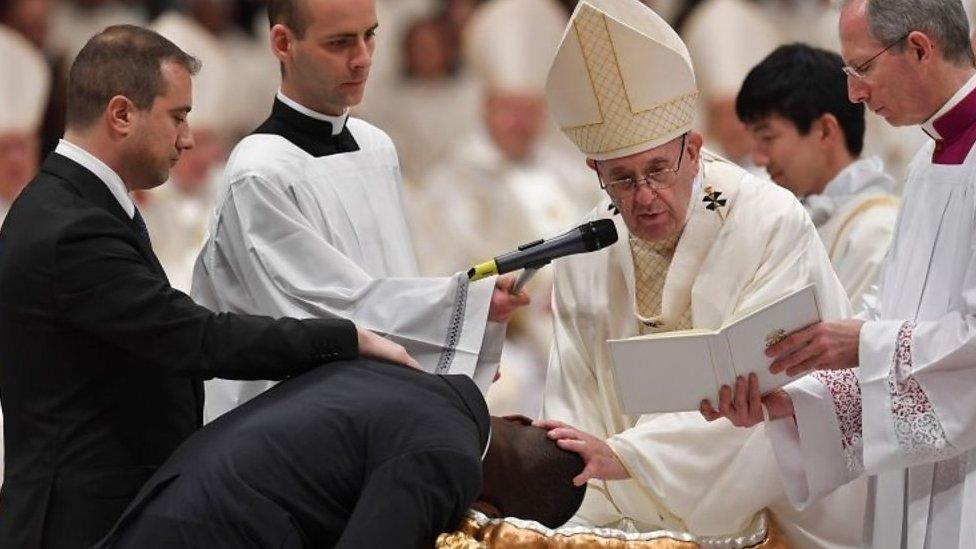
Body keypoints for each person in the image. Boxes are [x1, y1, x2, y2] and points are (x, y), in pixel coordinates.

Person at [0, 25, 415, 549]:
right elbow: (195, 338)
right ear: (121, 114)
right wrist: (346, 338)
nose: (188, 138)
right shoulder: (70, 227)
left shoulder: (77, 204)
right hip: (79, 525)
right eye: (178, 116)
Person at [536, 0, 866, 546]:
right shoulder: (590, 243)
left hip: (768, 501)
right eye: (621, 179)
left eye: (658, 170)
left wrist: (625, 458)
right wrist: (585, 482)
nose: (644, 198)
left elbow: (790, 385)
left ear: (693, 149)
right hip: (618, 503)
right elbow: (574, 394)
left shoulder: (770, 220)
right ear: (594, 170)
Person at [702, 0, 976, 546]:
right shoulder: (928, 163)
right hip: (912, 487)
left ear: (919, 48)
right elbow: (893, 312)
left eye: (862, 68)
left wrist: (866, 344)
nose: (854, 92)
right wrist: (798, 401)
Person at [193, 0, 529, 422]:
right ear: (283, 43)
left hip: (373, 402)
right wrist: (457, 314)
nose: (363, 59)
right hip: (285, 417)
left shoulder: (376, 146)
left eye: (370, 35)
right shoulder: (259, 172)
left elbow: (390, 277)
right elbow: (316, 317)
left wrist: (464, 318)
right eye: (339, 43)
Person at [94, 359, 586, 548]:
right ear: (487, 511)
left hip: (173, 507)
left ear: (522, 420)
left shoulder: (417, 382)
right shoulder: (445, 457)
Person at [412, 0, 596, 416]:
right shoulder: (453, 180)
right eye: (509, 109)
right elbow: (444, 272)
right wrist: (521, 294)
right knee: (505, 390)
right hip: (503, 339)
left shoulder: (569, 172)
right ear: (486, 107)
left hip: (581, 323)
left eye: (529, 110)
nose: (519, 122)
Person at [736, 43, 899, 307]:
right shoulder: (788, 217)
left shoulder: (877, 231)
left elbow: (851, 342)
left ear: (825, 130)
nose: (758, 158)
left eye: (767, 137)